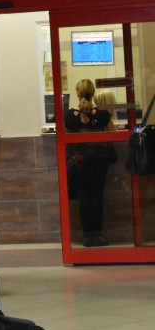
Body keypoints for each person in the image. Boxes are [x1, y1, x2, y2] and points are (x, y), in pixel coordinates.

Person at [65, 79, 113, 247]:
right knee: (97, 197)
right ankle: (97, 235)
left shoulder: (69, 116)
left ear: (77, 93)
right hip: (99, 162)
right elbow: (113, 133)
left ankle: (87, 236)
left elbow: (65, 138)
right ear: (93, 93)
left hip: (79, 162)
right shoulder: (103, 114)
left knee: (84, 198)